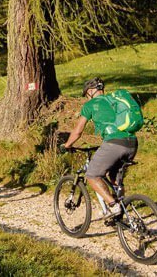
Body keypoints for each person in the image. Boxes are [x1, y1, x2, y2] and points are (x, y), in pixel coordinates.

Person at [60, 77, 137, 220]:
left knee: (92, 175)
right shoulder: (113, 100)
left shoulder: (90, 105)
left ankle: (114, 206)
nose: (86, 98)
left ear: (90, 91)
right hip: (131, 142)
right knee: (114, 176)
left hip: (114, 143)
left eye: (86, 95)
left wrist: (67, 145)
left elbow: (77, 131)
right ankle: (122, 208)